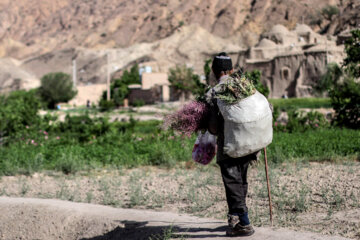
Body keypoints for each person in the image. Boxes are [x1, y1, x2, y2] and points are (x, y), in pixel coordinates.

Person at [207, 52, 259, 237]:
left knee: (232, 182)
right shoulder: (246, 87)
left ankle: (244, 223)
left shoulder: (214, 92)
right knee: (241, 180)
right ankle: (235, 217)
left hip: (229, 144)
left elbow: (213, 127)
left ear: (214, 71)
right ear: (231, 70)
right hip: (250, 142)